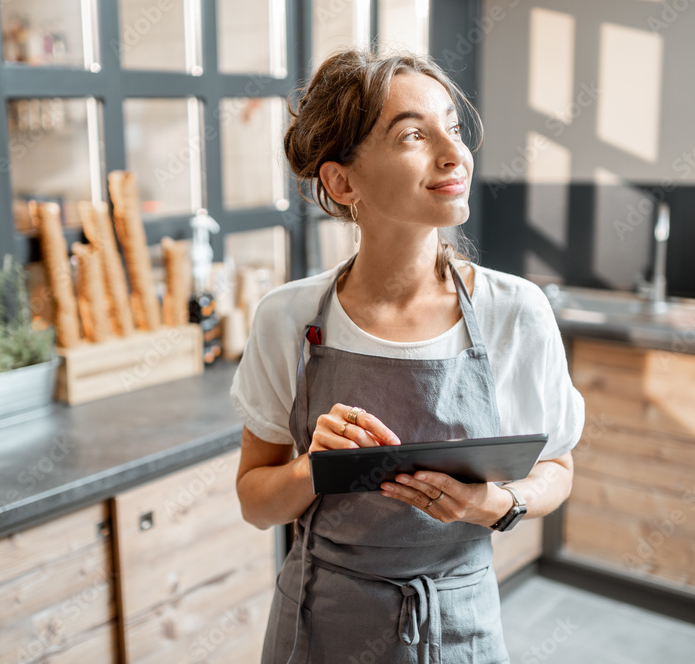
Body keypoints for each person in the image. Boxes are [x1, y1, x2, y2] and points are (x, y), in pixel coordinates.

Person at [231, 48, 585, 663]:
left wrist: (496, 505)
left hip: (459, 625)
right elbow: (255, 501)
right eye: (415, 135)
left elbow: (558, 469)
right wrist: (312, 467)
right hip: (319, 624)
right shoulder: (287, 318)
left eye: (453, 126)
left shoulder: (515, 312)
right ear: (343, 181)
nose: (454, 154)